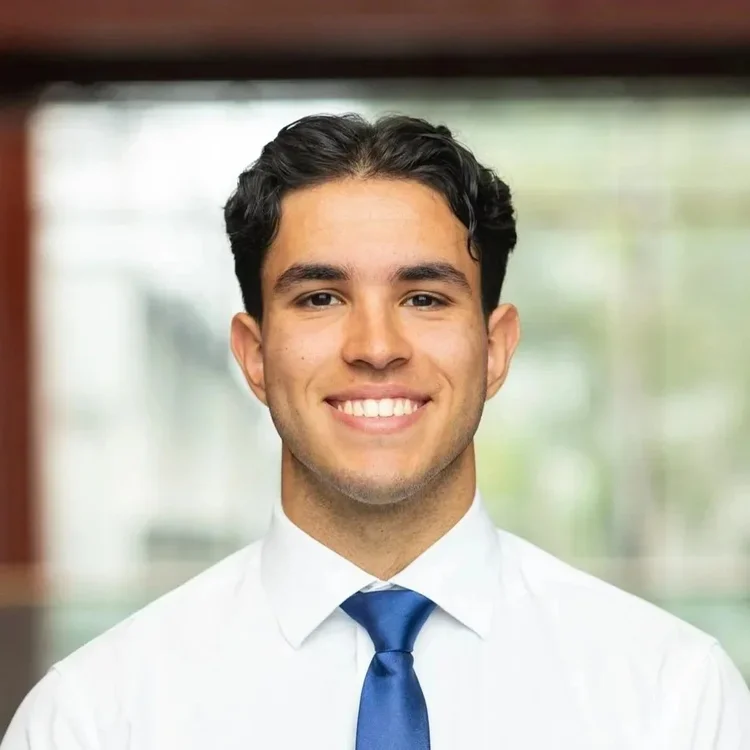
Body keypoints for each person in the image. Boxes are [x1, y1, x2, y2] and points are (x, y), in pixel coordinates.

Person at [3, 113, 749, 750]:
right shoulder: (94, 720)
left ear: (495, 350)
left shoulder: (673, 700)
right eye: (321, 298)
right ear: (254, 355)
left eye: (424, 297)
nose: (376, 346)